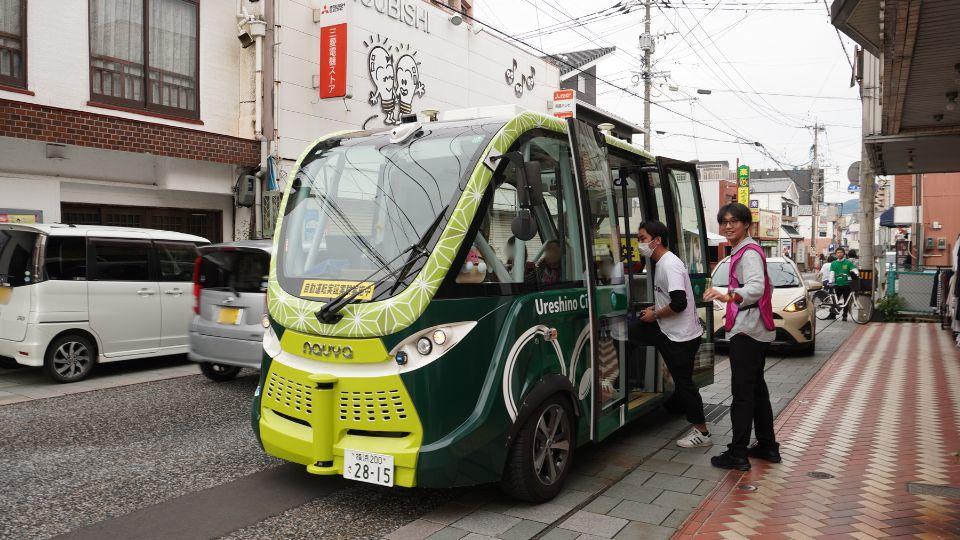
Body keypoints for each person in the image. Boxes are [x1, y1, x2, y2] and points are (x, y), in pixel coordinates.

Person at [705, 203, 779, 471]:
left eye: (734, 221)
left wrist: (730, 295)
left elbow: (757, 287)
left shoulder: (748, 252)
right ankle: (768, 446)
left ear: (746, 224)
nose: (727, 226)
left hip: (747, 331)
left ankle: (737, 453)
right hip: (754, 330)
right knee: (757, 390)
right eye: (723, 221)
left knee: (743, 394)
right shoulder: (744, 250)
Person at [632, 220, 710, 448]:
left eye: (642, 239)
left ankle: (702, 433)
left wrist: (655, 315)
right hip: (668, 330)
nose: (640, 244)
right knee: (629, 332)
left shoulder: (669, 265)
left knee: (684, 384)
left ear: (656, 241)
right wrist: (653, 311)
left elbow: (679, 303)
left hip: (681, 337)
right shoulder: (661, 263)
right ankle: (626, 382)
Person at [830, 247, 858, 321]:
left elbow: (853, 269)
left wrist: (856, 273)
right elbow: (832, 273)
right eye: (838, 253)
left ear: (844, 254)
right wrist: (830, 281)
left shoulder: (848, 262)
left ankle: (844, 315)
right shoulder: (834, 263)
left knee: (846, 300)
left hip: (846, 284)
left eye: (841, 252)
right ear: (836, 254)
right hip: (837, 284)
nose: (839, 254)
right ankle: (833, 314)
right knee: (835, 300)